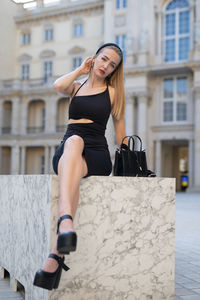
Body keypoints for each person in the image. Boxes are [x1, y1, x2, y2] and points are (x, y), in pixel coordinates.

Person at [33, 43, 127, 290]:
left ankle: (62, 232)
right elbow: (57, 86)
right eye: (104, 59)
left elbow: (120, 135)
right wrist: (80, 70)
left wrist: (133, 160)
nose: (106, 66)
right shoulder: (76, 87)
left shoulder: (114, 93)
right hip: (69, 150)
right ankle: (59, 247)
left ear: (115, 69)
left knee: (74, 147)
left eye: (112, 64)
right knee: (73, 142)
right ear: (94, 58)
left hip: (96, 154)